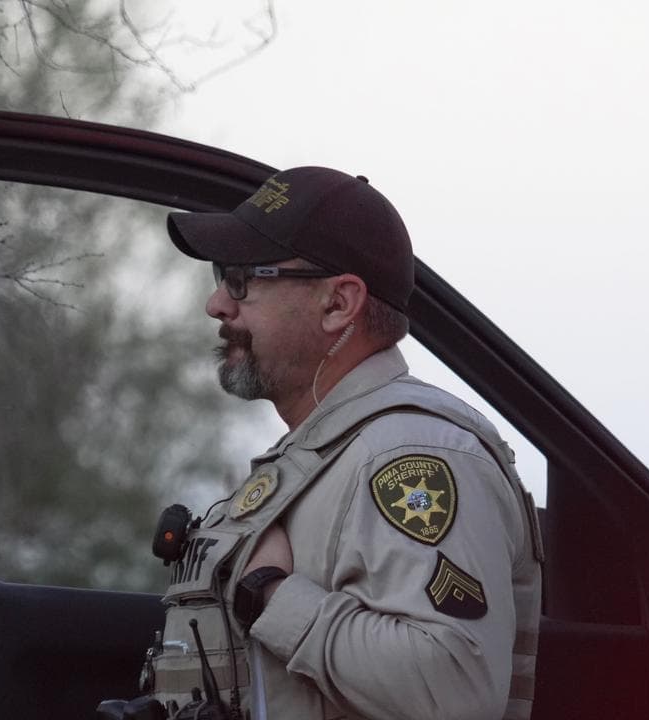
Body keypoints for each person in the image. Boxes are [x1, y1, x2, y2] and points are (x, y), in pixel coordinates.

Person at [148, 166, 543, 720]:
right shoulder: (325, 456)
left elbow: (455, 690)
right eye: (221, 275)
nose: (217, 303)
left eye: (241, 278)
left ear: (338, 304)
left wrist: (268, 593)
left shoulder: (411, 457)